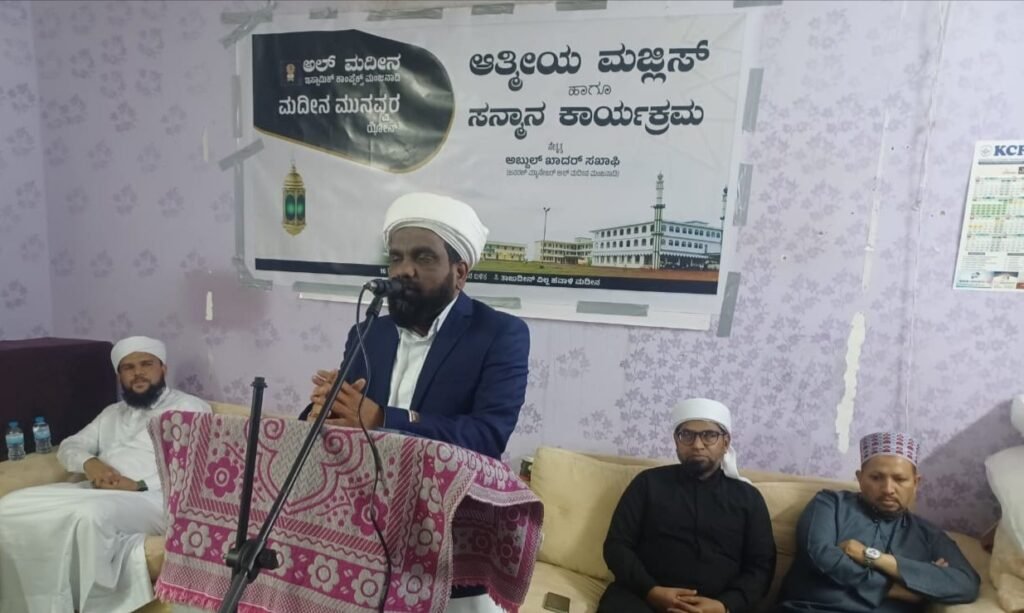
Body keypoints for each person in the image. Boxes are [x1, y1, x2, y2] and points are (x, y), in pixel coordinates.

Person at [301, 192, 530, 612]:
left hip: (450, 535)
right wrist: (324, 410)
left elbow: (487, 435)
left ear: (459, 273)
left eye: (423, 257)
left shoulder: (500, 334)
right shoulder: (370, 332)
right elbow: (348, 416)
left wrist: (382, 418)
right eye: (396, 258)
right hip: (363, 526)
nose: (404, 270)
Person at [0, 336, 211, 613]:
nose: (138, 373)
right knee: (10, 506)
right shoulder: (111, 413)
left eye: (146, 364)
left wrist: (138, 484)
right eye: (128, 367)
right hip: (98, 489)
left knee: (88, 517)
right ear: (119, 375)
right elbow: (70, 446)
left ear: (163, 368)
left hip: (156, 497)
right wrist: (91, 464)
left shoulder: (189, 408)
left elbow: (197, 465)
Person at [599, 398, 776, 613]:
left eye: (709, 435)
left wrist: (725, 605)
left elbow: (761, 567)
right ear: (676, 440)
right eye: (687, 435)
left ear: (726, 442)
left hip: (719, 606)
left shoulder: (749, 498)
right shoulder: (647, 484)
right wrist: (651, 591)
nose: (697, 445)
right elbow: (617, 545)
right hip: (642, 598)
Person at [775, 432, 980, 612]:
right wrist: (900, 587)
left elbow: (966, 585)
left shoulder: (928, 535)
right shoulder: (830, 504)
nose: (888, 489)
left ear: (916, 483)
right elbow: (819, 554)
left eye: (899, 479)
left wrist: (871, 557)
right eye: (876, 478)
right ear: (860, 477)